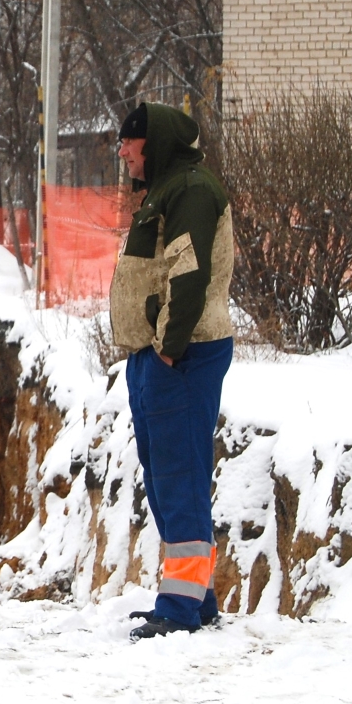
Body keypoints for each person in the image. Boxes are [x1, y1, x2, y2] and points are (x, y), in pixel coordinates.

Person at [107, 101, 236, 640]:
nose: (122, 152)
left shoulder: (191, 189)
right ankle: (195, 597)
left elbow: (189, 272)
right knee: (164, 482)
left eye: (128, 142)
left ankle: (181, 608)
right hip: (158, 356)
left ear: (151, 141)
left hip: (183, 355)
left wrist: (167, 347)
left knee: (179, 478)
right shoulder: (165, 188)